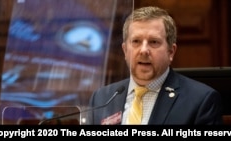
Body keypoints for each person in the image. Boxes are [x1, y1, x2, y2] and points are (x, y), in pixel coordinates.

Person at [87, 6, 223, 125]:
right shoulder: (102, 98)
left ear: (171, 52)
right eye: (136, 41)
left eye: (153, 42)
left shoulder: (201, 101)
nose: (144, 50)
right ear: (125, 50)